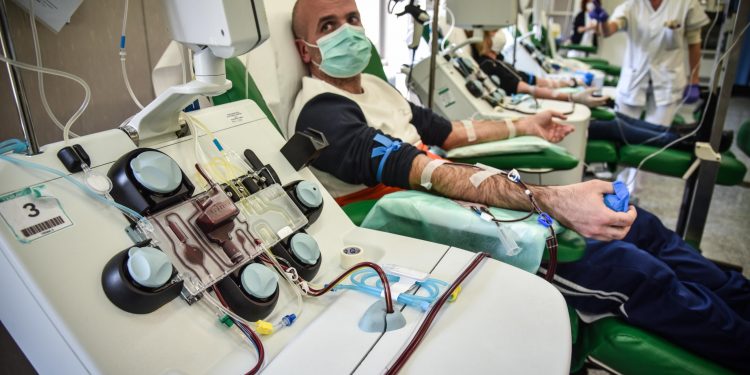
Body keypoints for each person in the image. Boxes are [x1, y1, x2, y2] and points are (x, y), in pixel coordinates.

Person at [288, 0, 750, 371]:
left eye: (352, 18)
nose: (348, 30)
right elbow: (416, 167)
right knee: (633, 271)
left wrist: (526, 123)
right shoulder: (321, 114)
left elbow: (449, 134)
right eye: (328, 25)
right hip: (430, 228)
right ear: (305, 49)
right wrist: (551, 200)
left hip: (465, 202)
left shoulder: (376, 87)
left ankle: (739, 297)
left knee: (638, 226)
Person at [590, 0, 709, 126]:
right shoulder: (632, 5)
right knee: (621, 127)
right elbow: (608, 31)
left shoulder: (686, 4)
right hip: (634, 80)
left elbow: (694, 43)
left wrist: (694, 81)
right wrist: (602, 22)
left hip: (668, 82)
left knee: (655, 135)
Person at [470, 29, 608, 108]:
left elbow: (534, 80)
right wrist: (571, 97)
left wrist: (570, 83)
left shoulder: (499, 60)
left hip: (542, 95)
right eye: (493, 32)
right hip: (536, 104)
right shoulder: (490, 66)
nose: (498, 32)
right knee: (612, 126)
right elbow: (528, 88)